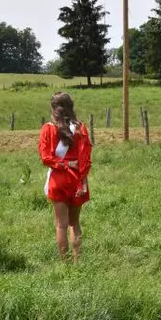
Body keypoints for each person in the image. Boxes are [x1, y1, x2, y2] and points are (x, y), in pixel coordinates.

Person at [38, 92, 92, 263]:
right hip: (77, 179)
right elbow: (85, 157)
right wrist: (82, 180)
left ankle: (65, 264)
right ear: (71, 106)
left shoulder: (48, 128)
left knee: (61, 225)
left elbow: (45, 158)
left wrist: (64, 165)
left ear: (53, 108)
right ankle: (78, 261)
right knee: (74, 224)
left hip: (59, 179)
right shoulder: (81, 128)